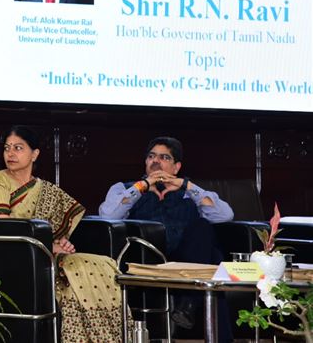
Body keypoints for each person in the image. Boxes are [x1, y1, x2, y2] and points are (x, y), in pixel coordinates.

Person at [0, 125, 125, 342]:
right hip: (17, 254)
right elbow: (4, 227)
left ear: (35, 154)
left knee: (104, 264)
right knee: (77, 268)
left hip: (48, 254)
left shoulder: (46, 188)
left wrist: (60, 243)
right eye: (7, 148)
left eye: (18, 148)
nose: (10, 153)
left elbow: (58, 231)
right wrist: (49, 246)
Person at [98, 136, 234, 340]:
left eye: (164, 157)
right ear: (145, 162)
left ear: (176, 167)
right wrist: (142, 186)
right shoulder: (124, 189)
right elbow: (108, 215)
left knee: (203, 227)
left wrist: (186, 185)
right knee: (214, 261)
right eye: (151, 156)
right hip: (146, 258)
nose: (156, 161)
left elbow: (225, 215)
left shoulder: (190, 193)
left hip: (186, 259)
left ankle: (187, 304)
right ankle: (195, 313)